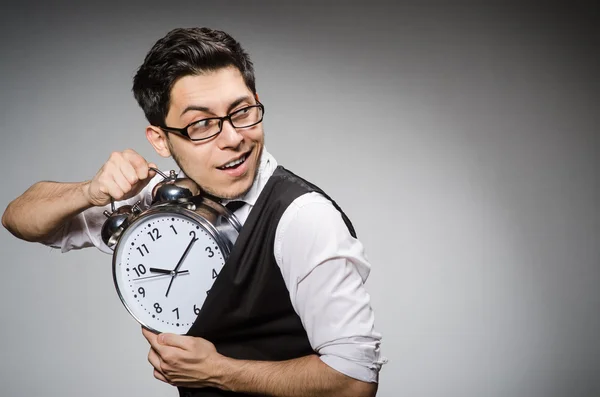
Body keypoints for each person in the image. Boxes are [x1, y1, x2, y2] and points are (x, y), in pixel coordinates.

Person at [2, 27, 385, 397]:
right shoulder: (154, 201)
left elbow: (354, 381)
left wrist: (218, 372)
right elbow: (19, 218)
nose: (234, 138)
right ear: (161, 140)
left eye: (242, 111)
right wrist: (90, 191)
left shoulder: (303, 219)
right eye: (201, 124)